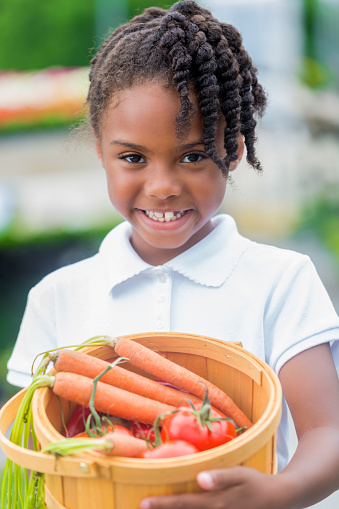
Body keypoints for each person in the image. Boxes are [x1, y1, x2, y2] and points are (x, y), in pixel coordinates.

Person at [7, 1, 339, 508]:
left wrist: (281, 491)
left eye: (193, 156)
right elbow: (35, 441)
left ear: (232, 151)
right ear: (100, 149)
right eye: (133, 158)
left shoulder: (281, 280)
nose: (162, 187)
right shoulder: (57, 297)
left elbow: (328, 433)